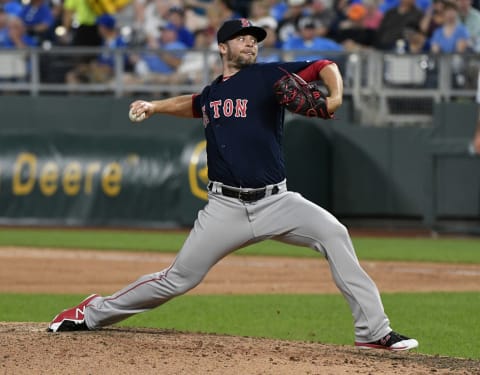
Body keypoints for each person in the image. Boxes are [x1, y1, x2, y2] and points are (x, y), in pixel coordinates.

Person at [47, 18, 419, 352]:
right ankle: (91, 312)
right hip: (224, 208)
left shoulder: (267, 75)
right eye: (242, 39)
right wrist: (156, 106)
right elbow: (194, 103)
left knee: (334, 234)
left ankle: (373, 330)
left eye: (254, 39)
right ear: (223, 47)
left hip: (277, 201)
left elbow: (326, 66)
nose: (250, 44)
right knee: (177, 279)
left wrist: (335, 95)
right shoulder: (213, 92)